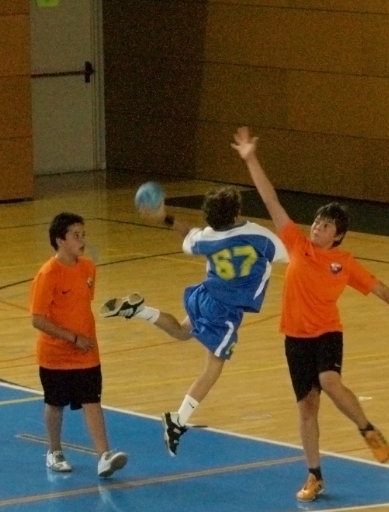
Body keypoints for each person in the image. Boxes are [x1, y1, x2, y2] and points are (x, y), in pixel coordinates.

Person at [231, 127, 389, 502]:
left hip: (326, 333)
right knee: (307, 408)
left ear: (337, 236)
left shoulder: (344, 262)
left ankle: (366, 427)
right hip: (295, 337)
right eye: (318, 222)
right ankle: (314, 475)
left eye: (326, 226)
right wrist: (250, 158)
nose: (318, 227)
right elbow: (270, 199)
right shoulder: (296, 243)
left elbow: (381, 289)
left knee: (330, 379)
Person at [100, 186, 287, 456]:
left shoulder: (207, 238)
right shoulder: (259, 236)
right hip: (225, 310)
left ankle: (140, 310)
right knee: (214, 366)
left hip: (204, 295)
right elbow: (291, 253)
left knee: (182, 331)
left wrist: (165, 217)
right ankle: (178, 420)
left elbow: (188, 235)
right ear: (237, 211)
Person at [30, 213, 127, 478]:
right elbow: (37, 319)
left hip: (87, 353)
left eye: (83, 235)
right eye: (76, 236)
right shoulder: (47, 274)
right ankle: (54, 451)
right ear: (60, 240)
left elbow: (82, 306)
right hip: (55, 355)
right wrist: (72, 338)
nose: (82, 240)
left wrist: (84, 340)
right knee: (55, 404)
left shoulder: (88, 268)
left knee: (92, 401)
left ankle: (104, 456)